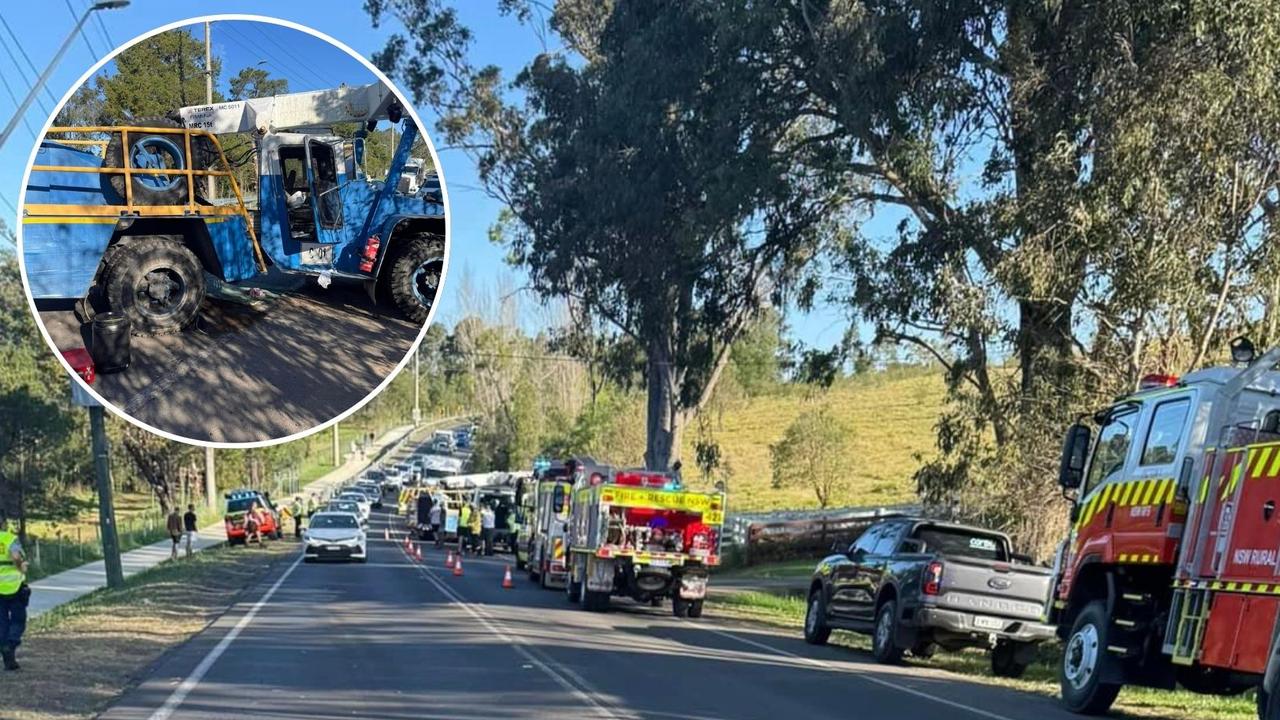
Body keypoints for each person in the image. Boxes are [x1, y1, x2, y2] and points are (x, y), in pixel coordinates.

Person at [0, 517, 30, 671]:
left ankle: (8, 659)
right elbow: (16, 557)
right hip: (14, 587)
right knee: (18, 620)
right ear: (3, 523)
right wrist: (21, 567)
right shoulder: (9, 538)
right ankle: (10, 644)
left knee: (2, 622)